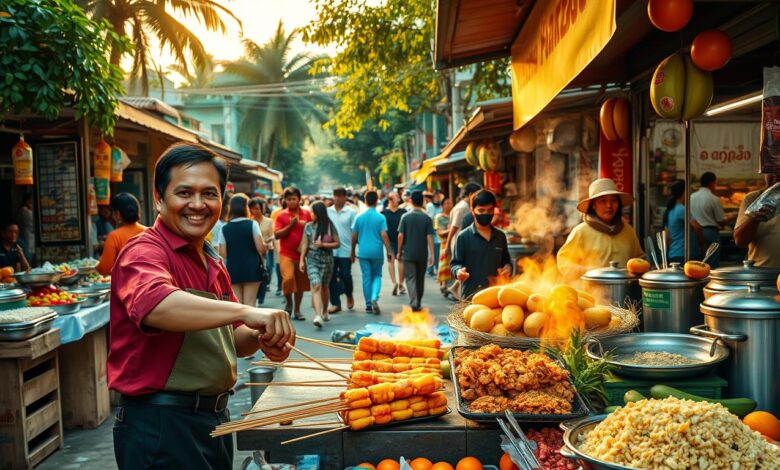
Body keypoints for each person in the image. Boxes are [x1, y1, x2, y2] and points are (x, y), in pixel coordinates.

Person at [107, 142, 294, 469]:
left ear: (222, 199)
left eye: (209, 193)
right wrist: (247, 311)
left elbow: (234, 338)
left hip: (214, 420)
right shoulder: (144, 252)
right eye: (184, 193)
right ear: (158, 197)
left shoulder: (210, 260)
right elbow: (157, 306)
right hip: (162, 424)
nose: (197, 204)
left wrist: (264, 337)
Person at [557, 178, 644, 280]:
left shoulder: (628, 230)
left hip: (626, 292)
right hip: (591, 292)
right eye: (603, 201)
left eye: (614, 201)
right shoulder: (581, 231)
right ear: (593, 205)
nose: (609, 206)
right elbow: (564, 263)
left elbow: (639, 259)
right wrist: (587, 270)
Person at [450, 190, 512, 299]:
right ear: (472, 211)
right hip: (471, 296)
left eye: (489, 210)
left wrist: (508, 268)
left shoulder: (500, 236)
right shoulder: (463, 237)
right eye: (481, 210)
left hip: (497, 296)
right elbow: (455, 264)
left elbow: (506, 261)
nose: (485, 214)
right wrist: (458, 271)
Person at [219, 194, 267, 307]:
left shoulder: (224, 228)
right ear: (245, 208)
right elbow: (260, 248)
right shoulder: (252, 224)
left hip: (233, 268)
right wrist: (265, 245)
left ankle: (241, 325)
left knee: (238, 305)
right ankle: (251, 325)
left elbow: (223, 253)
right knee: (250, 304)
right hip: (252, 267)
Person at [351, 190, 393, 314]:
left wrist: (352, 252)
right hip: (376, 252)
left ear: (365, 200)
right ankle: (374, 297)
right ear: (376, 201)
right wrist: (389, 250)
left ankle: (368, 303)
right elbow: (384, 235)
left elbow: (354, 237)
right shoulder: (380, 217)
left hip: (363, 252)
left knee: (366, 277)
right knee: (377, 275)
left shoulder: (359, 217)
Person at [299, 201, 340, 327]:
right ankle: (317, 315)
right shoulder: (308, 226)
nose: (311, 214)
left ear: (319, 213)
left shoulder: (329, 226)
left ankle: (324, 311)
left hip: (327, 260)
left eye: (313, 212)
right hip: (312, 260)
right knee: (316, 285)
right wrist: (301, 260)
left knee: (324, 287)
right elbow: (305, 244)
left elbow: (337, 243)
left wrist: (324, 245)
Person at [274, 187, 312, 320]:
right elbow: (277, 235)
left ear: (299, 200)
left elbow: (312, 230)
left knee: (301, 283)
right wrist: (291, 225)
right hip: (286, 253)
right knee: (288, 279)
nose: (290, 202)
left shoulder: (307, 214)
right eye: (288, 199)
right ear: (285, 200)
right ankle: (289, 303)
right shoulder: (282, 215)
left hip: (302, 254)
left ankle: (297, 310)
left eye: (293, 199)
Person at [397, 191, 435, 311]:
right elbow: (430, 237)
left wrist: (399, 251)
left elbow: (400, 236)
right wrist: (432, 255)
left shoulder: (405, 217)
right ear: (423, 201)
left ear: (411, 201)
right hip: (422, 254)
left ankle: (414, 301)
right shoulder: (427, 218)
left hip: (408, 254)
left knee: (411, 278)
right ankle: (417, 301)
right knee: (420, 278)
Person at [443, 182, 482, 298]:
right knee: (465, 268)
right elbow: (454, 227)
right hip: (460, 242)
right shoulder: (462, 207)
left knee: (467, 267)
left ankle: (455, 290)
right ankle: (458, 292)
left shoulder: (463, 206)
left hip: (463, 242)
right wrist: (447, 245)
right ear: (470, 194)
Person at [690, 172, 735, 268]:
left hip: (694, 232)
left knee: (696, 264)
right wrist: (733, 216)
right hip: (710, 233)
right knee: (711, 263)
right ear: (712, 183)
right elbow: (721, 221)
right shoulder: (713, 199)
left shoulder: (691, 197)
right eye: (715, 183)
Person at [734, 174, 780, 267]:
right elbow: (740, 241)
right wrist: (755, 217)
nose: (774, 175)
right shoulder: (752, 198)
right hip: (762, 274)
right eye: (770, 171)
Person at [96, 193, 146, 276]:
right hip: (148, 283)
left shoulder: (114, 236)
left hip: (125, 286)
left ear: (117, 214)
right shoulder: (149, 232)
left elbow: (104, 269)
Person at [327, 187, 357, 314]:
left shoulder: (351, 212)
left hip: (346, 250)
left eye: (340, 196)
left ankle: (349, 294)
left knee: (345, 275)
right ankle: (335, 303)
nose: (337, 198)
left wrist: (353, 251)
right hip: (331, 250)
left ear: (345, 197)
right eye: (335, 195)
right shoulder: (328, 211)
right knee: (331, 277)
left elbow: (355, 233)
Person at [664, 179, 706, 264]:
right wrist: (703, 246)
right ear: (684, 193)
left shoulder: (671, 209)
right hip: (684, 254)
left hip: (674, 254)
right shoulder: (682, 210)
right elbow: (697, 227)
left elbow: (667, 235)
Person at [249, 198, 274, 305]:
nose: (255, 211)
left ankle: (261, 297)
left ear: (262, 208)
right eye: (253, 208)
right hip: (252, 252)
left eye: (257, 208)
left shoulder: (269, 221)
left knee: (265, 272)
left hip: (266, 251)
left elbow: (273, 234)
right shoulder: (249, 221)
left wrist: (269, 241)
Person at [382, 191, 405, 295]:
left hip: (401, 240)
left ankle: (399, 283)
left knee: (399, 261)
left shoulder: (403, 212)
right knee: (393, 260)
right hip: (390, 241)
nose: (399, 200)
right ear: (390, 200)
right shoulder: (383, 213)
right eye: (396, 198)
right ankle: (396, 283)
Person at [434, 198, 454, 296]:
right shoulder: (439, 217)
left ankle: (448, 286)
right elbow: (439, 232)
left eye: (450, 203)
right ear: (442, 206)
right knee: (444, 265)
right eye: (446, 203)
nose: (449, 205)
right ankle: (443, 284)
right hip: (444, 244)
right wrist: (451, 230)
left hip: (454, 243)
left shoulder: (453, 216)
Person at [425, 191, 443, 276]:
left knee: (437, 250)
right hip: (433, 231)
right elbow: (430, 218)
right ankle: (430, 268)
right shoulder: (430, 206)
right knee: (432, 250)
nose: (438, 198)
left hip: (439, 231)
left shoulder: (440, 205)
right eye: (437, 196)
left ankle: (436, 268)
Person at [16, 194, 35, 261]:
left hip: (29, 234)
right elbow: (32, 221)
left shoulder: (27, 210)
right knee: (28, 253)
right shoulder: (24, 210)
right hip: (27, 234)